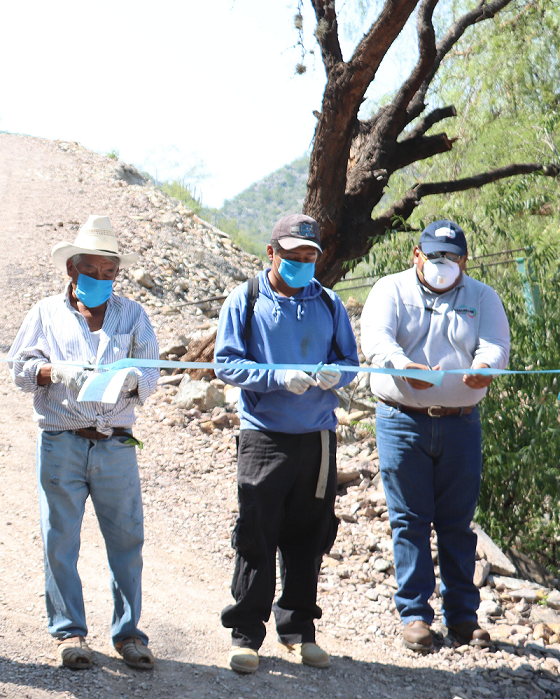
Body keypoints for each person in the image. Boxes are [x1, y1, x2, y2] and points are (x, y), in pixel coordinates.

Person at [7, 215, 161, 670]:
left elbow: (152, 376)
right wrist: (54, 372)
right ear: (71, 268)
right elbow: (18, 370)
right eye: (91, 271)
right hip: (62, 441)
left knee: (127, 538)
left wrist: (130, 379)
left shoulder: (133, 315)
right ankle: (69, 633)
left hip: (116, 442)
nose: (100, 279)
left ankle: (129, 635)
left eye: (109, 273)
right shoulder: (44, 313)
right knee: (61, 538)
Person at [214, 213, 359, 674]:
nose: (301, 264)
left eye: (309, 257)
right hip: (263, 434)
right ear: (272, 253)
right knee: (257, 530)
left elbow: (351, 362)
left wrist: (340, 374)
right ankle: (246, 634)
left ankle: (298, 631)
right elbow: (226, 364)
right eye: (293, 256)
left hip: (316, 437)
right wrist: (277, 377)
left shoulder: (331, 304)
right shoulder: (247, 299)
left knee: (309, 534)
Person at [361, 220, 510, 653]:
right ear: (417, 255)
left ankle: (463, 617)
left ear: (465, 261)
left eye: (453, 258)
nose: (443, 265)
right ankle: (414, 615)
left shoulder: (483, 297)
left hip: (461, 423)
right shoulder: (390, 290)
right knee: (409, 520)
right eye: (435, 256)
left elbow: (496, 346)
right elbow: (376, 341)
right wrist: (403, 366)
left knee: (457, 524)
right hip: (402, 421)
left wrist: (484, 368)